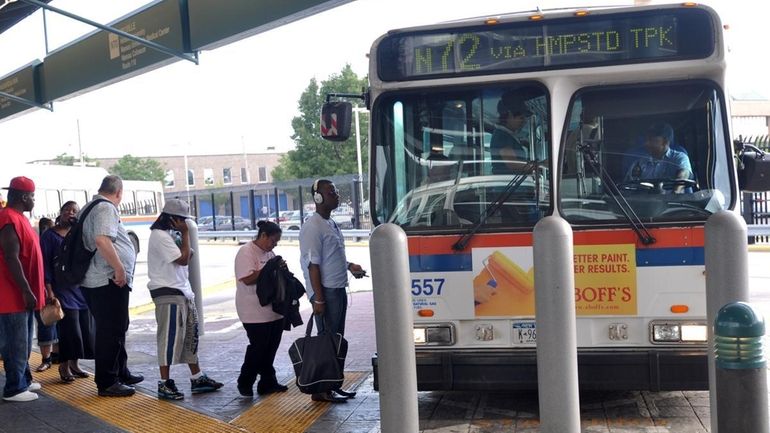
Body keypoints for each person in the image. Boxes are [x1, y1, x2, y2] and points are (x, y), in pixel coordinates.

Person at [147, 199, 223, 400]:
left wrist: (183, 236)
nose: (185, 224)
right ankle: (164, 383)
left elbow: (188, 254)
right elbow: (182, 258)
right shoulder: (159, 236)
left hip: (182, 291)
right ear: (171, 219)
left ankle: (197, 377)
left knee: (190, 337)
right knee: (169, 339)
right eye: (181, 220)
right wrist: (186, 234)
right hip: (168, 293)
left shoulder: (172, 234)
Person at [299, 179, 366, 404]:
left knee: (335, 340)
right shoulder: (313, 226)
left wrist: (350, 267)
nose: (336, 195)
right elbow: (313, 265)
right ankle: (321, 389)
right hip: (325, 292)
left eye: (336, 191)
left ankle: (333, 383)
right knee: (327, 341)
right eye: (331, 192)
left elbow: (332, 256)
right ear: (318, 197)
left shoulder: (330, 223)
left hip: (337, 289)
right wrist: (318, 298)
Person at [80, 175, 142, 397]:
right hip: (106, 279)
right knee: (110, 331)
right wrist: (119, 268)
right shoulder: (106, 208)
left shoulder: (91, 205)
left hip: (100, 279)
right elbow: (102, 240)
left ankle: (120, 371)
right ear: (119, 192)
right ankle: (107, 381)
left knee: (118, 326)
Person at [0, 176, 46, 402]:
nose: (34, 200)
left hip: (21, 294)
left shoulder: (19, 218)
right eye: (32, 196)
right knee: (15, 342)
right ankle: (14, 388)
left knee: (25, 340)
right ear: (23, 197)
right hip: (12, 294)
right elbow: (11, 257)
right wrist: (27, 290)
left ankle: (24, 380)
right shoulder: (8, 218)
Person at [40, 201, 95, 383]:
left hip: (80, 288)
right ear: (60, 213)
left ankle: (74, 364)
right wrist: (49, 291)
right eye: (66, 210)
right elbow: (45, 265)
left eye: (74, 211)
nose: (70, 214)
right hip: (61, 289)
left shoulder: (78, 234)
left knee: (83, 329)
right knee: (70, 330)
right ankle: (63, 365)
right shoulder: (49, 236)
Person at [234, 220, 289, 398]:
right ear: (263, 235)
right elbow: (247, 278)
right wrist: (269, 269)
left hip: (272, 310)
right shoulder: (246, 252)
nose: (274, 245)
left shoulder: (270, 253)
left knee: (271, 347)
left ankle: (267, 382)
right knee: (258, 348)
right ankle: (245, 381)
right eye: (273, 241)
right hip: (252, 310)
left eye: (276, 242)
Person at [623, 123, 692, 193]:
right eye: (646, 140)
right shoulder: (639, 163)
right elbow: (627, 187)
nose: (646, 143)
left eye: (651, 140)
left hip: (672, 202)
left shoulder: (679, 157)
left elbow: (683, 176)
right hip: (642, 203)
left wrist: (676, 191)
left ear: (665, 142)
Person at [490, 92, 532, 173]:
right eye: (521, 118)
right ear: (509, 115)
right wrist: (538, 166)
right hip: (507, 183)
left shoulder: (507, 135)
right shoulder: (501, 136)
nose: (524, 121)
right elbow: (513, 164)